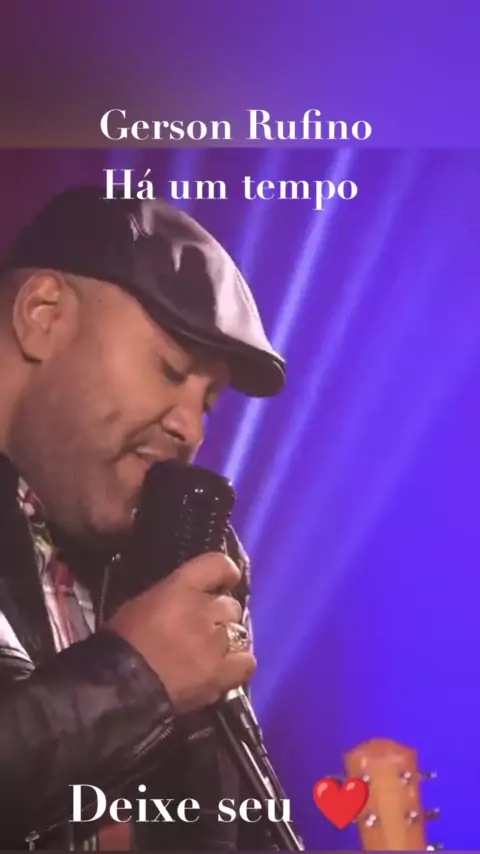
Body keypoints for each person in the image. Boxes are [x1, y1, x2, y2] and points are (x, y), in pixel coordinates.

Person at [0, 187, 286, 850]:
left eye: (208, 402)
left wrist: (199, 698)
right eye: (170, 370)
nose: (191, 429)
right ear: (43, 315)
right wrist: (139, 676)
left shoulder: (130, 559)